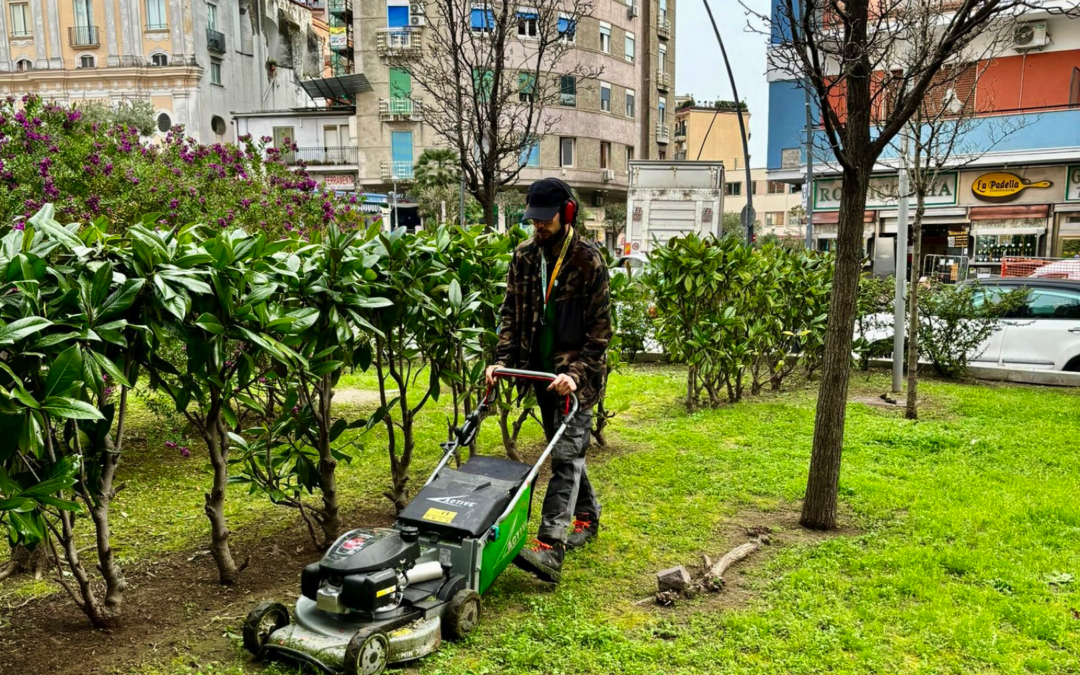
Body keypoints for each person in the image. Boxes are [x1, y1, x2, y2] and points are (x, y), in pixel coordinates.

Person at [485, 177, 612, 584]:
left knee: (564, 454)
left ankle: (549, 546)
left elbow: (600, 333)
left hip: (577, 379)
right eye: (533, 220)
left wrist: (575, 375)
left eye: (545, 219)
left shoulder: (588, 260)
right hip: (539, 374)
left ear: (567, 213)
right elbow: (509, 314)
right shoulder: (523, 257)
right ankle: (588, 516)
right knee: (566, 445)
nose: (538, 226)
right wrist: (501, 361)